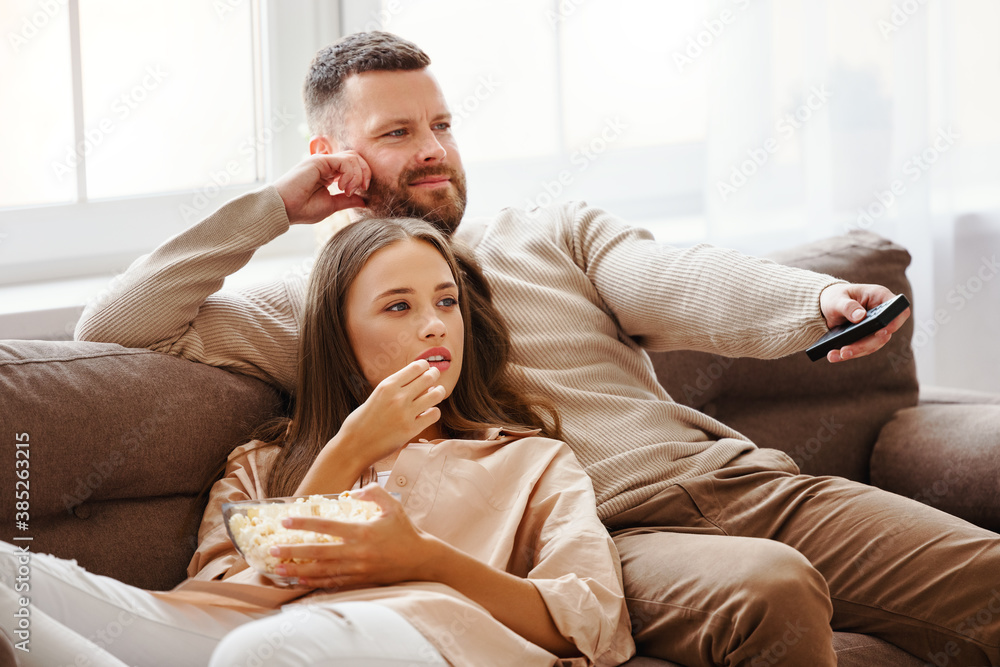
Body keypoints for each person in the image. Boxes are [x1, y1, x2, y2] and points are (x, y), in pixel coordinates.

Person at [73, 31, 1000, 666]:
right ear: (335, 157)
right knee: (767, 591)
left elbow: (668, 276)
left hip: (741, 481)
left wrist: (817, 300)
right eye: (396, 134)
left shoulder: (546, 230)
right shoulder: (322, 306)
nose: (433, 151)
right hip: (602, 535)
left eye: (441, 124)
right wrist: (280, 202)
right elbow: (116, 324)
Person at [1, 216, 634, 666]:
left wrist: (428, 563)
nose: (434, 325)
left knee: (261, 652)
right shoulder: (260, 465)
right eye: (398, 307)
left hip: (429, 643)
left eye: (446, 302)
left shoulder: (530, 460)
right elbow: (224, 596)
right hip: (240, 633)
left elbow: (596, 623)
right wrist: (346, 451)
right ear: (341, 336)